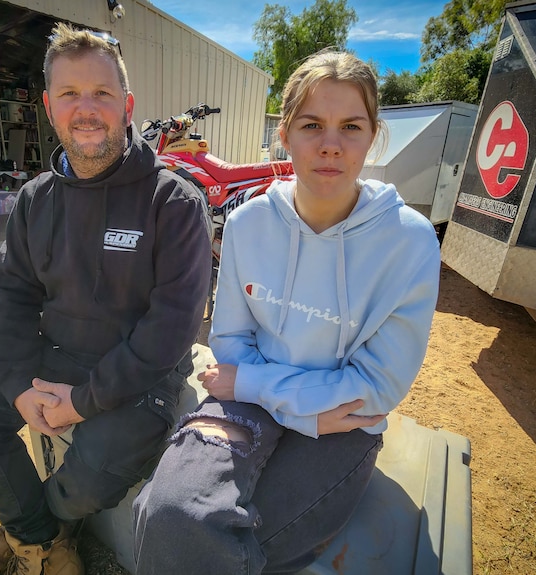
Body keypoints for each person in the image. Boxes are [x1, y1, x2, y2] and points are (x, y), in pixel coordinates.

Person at [132, 49, 441, 574]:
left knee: (248, 542)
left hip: (343, 422)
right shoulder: (250, 224)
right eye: (311, 124)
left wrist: (259, 387)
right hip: (262, 401)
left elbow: (378, 388)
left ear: (373, 136)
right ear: (285, 133)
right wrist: (293, 401)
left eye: (351, 127)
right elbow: (229, 339)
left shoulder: (408, 241)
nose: (330, 145)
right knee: (167, 510)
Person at [0, 24, 212, 575]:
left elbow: (171, 330)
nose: (86, 109)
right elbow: (11, 294)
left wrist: (83, 401)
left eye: (102, 94)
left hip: (139, 377)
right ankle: (41, 541)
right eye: (69, 94)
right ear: (48, 107)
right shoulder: (35, 200)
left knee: (92, 475)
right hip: (54, 353)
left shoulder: (173, 202)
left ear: (127, 105)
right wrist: (16, 387)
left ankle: (29, 532)